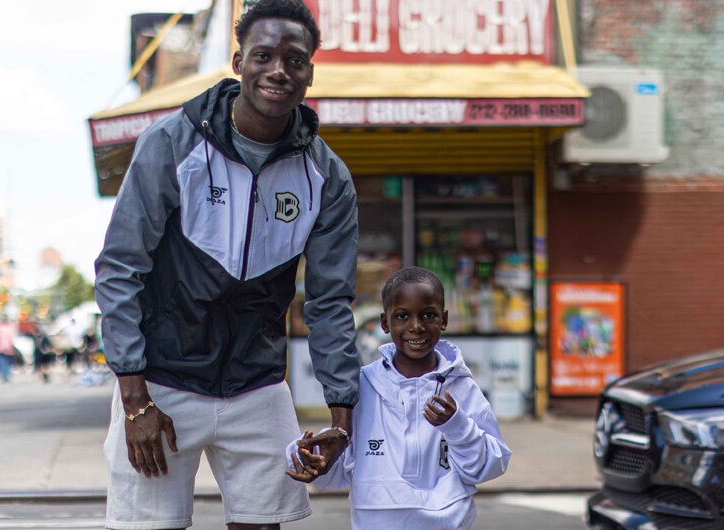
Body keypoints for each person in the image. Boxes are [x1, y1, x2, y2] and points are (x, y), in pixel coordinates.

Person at [93, 1, 361, 528]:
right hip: (162, 383)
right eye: (263, 55)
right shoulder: (171, 142)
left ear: (310, 71)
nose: (279, 70)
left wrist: (341, 419)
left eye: (295, 59)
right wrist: (133, 398)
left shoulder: (327, 176)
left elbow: (330, 304)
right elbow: (120, 268)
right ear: (239, 62)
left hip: (258, 387)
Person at [286, 267, 511, 529]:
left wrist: (457, 427)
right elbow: (338, 470)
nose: (416, 326)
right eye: (402, 316)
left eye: (428, 315)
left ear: (444, 319)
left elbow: (489, 466)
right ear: (385, 323)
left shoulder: (461, 388)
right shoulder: (362, 386)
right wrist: (307, 455)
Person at [0, 317, 18, 383]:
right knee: (8, 363)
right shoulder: (10, 329)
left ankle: (3, 375)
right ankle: (7, 375)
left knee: (1, 362)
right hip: (9, 348)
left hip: (0, 348)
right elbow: (13, 339)